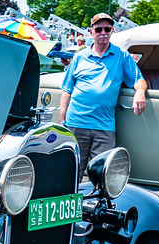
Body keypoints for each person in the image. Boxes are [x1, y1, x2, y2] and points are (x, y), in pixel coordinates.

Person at [56, 13, 147, 174]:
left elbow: (138, 79)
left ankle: (99, 200)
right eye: (98, 29)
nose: (103, 32)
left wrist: (140, 92)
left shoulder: (122, 56)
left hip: (104, 126)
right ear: (91, 32)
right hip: (76, 123)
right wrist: (62, 121)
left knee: (104, 174)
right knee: (71, 172)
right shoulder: (79, 57)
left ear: (112, 31)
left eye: (107, 29)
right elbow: (67, 90)